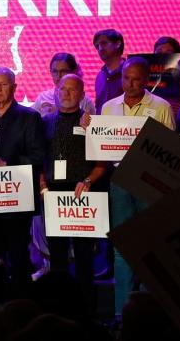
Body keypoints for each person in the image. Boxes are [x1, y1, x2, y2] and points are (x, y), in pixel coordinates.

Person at [101, 57, 174, 315]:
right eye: (126, 78)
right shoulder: (108, 108)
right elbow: (102, 147)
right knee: (122, 248)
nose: (130, 84)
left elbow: (171, 149)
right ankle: (123, 313)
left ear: (146, 80)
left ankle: (147, 312)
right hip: (120, 180)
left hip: (150, 181)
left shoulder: (161, 106)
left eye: (136, 79)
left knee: (150, 245)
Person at [40, 74, 107, 297]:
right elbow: (39, 159)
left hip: (83, 194)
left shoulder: (91, 122)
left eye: (72, 89)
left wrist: (88, 180)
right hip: (53, 193)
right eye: (62, 89)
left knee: (84, 256)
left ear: (81, 93)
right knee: (57, 257)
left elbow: (101, 164)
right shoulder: (45, 122)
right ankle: (59, 306)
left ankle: (86, 309)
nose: (66, 94)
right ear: (56, 91)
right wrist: (42, 187)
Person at [0, 67, 45, 285]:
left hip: (17, 200)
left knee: (18, 256)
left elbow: (39, 156)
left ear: (14, 87)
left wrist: (8, 165)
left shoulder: (29, 117)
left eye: (4, 84)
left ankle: (22, 306)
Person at [31, 53, 95, 117]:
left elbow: (93, 124)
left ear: (74, 72)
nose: (59, 76)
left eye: (64, 71)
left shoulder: (85, 101)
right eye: (55, 71)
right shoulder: (43, 97)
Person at [93, 29, 125, 113]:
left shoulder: (130, 72)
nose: (100, 48)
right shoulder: (100, 76)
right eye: (97, 46)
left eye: (104, 43)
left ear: (118, 44)